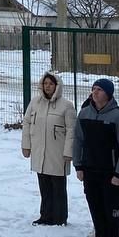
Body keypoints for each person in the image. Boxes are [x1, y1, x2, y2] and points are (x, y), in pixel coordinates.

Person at [73, 78, 119, 237]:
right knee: (96, 209)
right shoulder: (84, 114)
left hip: (111, 174)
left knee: (112, 211)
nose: (95, 92)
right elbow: (78, 141)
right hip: (90, 170)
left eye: (99, 89)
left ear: (108, 93)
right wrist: (78, 166)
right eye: (93, 89)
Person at [21, 71, 75, 226]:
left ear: (57, 86)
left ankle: (59, 217)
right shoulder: (35, 103)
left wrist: (68, 151)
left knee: (58, 187)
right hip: (40, 151)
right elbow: (27, 123)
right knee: (44, 186)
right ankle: (45, 215)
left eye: (51, 84)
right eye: (45, 83)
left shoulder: (66, 106)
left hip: (57, 153)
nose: (48, 86)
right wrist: (26, 145)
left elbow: (72, 130)